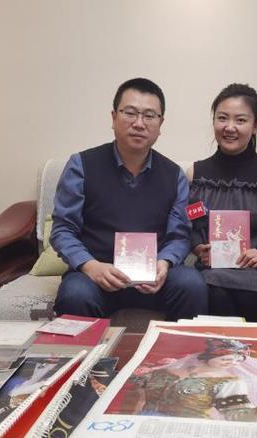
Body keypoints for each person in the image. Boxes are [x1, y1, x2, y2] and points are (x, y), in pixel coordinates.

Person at [51, 78, 208, 321]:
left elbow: (179, 235)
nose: (139, 123)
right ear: (114, 117)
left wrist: (164, 263)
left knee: (192, 284)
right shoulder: (81, 165)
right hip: (96, 275)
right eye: (130, 113)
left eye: (149, 116)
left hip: (153, 278)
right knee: (75, 294)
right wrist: (90, 266)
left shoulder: (174, 175)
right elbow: (63, 229)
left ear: (160, 124)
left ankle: (175, 347)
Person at [187, 83, 257, 322]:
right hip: (216, 268)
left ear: (255, 125)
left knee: (252, 297)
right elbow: (191, 225)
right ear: (213, 121)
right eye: (222, 118)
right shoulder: (196, 175)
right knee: (215, 292)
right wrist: (199, 249)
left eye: (240, 120)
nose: (230, 127)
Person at [125, 337, 257, 422]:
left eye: (237, 359)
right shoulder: (170, 369)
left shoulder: (228, 382)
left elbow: (240, 416)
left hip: (185, 431)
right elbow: (140, 399)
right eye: (225, 356)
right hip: (141, 425)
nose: (231, 361)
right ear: (209, 354)